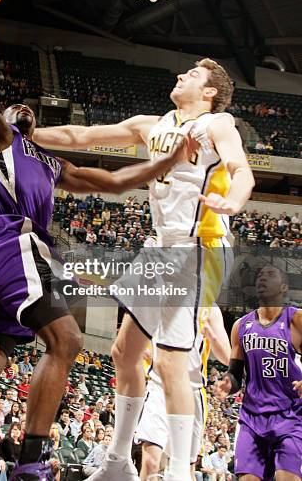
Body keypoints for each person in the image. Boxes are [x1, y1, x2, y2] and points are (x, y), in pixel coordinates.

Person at [0, 0, 198, 481]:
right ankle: (30, 466)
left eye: (25, 105)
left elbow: (117, 181)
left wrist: (168, 161)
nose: (20, 107)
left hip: (2, 254)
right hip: (10, 239)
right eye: (10, 106)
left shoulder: (50, 162)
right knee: (68, 339)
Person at [34, 58, 254, 480]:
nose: (180, 75)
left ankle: (178, 473)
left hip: (201, 247)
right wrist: (19, 134)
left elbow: (241, 170)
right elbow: (79, 135)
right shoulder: (150, 124)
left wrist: (235, 199)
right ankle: (118, 462)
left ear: (209, 92)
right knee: (125, 352)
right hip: (160, 248)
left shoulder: (217, 125)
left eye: (192, 75)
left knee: (171, 361)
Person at [215, 263, 302, 480]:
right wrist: (227, 383)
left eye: (270, 274)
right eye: (260, 275)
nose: (262, 278)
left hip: (290, 416)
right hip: (252, 418)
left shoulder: (296, 319)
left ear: (284, 287)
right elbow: (235, 373)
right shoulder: (241, 326)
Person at [136, 305, 231, 481]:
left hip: (192, 391)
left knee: (186, 470)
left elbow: (227, 356)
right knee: (150, 462)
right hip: (159, 387)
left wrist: (213, 336)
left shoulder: (210, 308)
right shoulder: (156, 295)